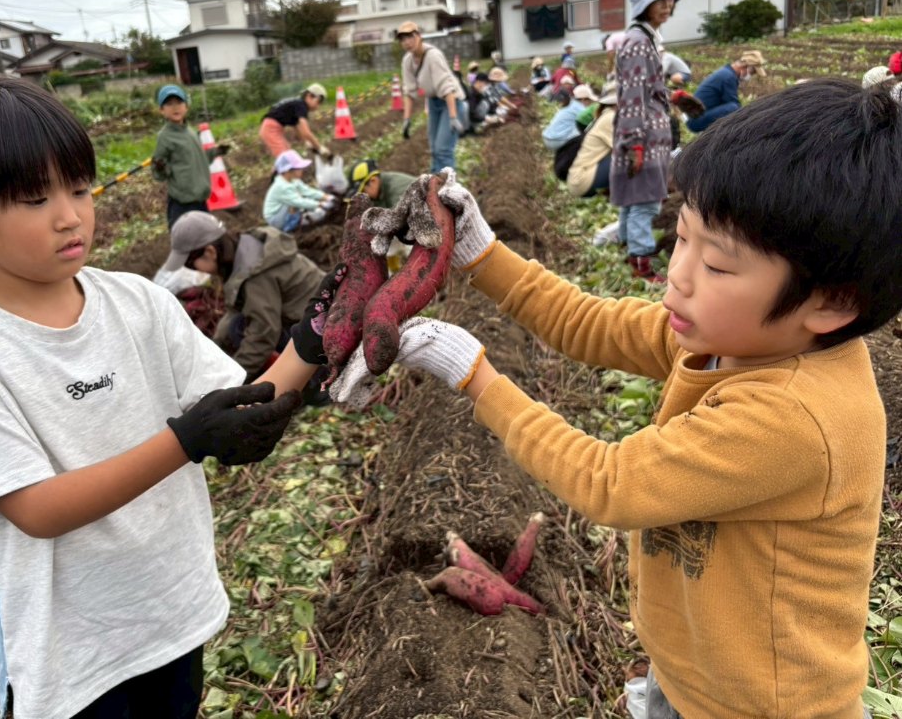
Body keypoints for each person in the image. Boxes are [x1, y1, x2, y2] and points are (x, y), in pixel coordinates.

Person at [339, 78, 902, 719]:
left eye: (717, 266)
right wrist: (481, 254)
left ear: (832, 302)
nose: (680, 275)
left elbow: (613, 484)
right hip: (693, 672)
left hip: (760, 706)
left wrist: (477, 377)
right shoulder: (736, 336)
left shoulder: (795, 416)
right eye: (682, 237)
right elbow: (588, 323)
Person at [0, 76, 340, 719]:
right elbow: (36, 510)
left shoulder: (137, 302)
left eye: (79, 188)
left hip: (172, 615)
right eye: (32, 198)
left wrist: (318, 335)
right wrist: (186, 440)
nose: (69, 215)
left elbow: (238, 402)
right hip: (75, 662)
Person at [168, 210, 329, 384]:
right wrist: (213, 349)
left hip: (322, 331)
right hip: (307, 317)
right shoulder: (242, 250)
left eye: (191, 265)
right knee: (236, 325)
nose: (195, 271)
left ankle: (316, 384)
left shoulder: (256, 274)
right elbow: (235, 309)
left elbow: (264, 334)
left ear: (210, 252)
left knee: (242, 330)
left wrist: (234, 381)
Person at [611, 0, 686, 283]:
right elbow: (633, 97)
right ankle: (641, 266)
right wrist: (635, 144)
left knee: (633, 199)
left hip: (644, 133)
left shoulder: (643, 39)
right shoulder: (640, 42)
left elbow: (643, 91)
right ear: (644, 4)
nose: (667, 4)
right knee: (643, 201)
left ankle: (628, 249)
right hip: (643, 135)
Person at [397, 20, 468, 173]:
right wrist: (407, 119)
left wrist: (453, 116)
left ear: (419, 36)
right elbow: (409, 91)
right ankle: (435, 188)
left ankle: (448, 190)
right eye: (403, 39)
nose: (407, 42)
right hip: (433, 102)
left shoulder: (433, 56)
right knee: (434, 149)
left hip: (451, 102)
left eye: (410, 37)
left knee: (443, 149)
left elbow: (446, 87)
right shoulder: (407, 61)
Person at [152, 84, 213, 229]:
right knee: (187, 245)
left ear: (186, 106)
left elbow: (199, 161)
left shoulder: (190, 132)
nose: (175, 107)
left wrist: (215, 153)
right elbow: (158, 174)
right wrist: (161, 167)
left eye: (179, 102)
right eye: (169, 104)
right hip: (183, 203)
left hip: (201, 199)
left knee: (207, 243)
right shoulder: (165, 136)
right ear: (161, 110)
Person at [678, 51, 766, 134]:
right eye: (753, 72)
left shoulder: (726, 72)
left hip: (697, 116)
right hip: (695, 121)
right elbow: (734, 105)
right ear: (745, 67)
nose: (751, 76)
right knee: (733, 107)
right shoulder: (728, 77)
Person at [263, 149, 336, 233]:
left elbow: (307, 191)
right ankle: (290, 227)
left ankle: (297, 217)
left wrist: (326, 197)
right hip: (275, 218)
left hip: (282, 211)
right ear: (288, 170)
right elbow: (298, 202)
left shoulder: (293, 180)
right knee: (295, 202)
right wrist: (320, 205)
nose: (302, 170)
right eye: (299, 168)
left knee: (297, 200)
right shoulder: (281, 186)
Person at [566, 82, 617, 198]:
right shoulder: (610, 118)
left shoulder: (606, 114)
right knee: (627, 159)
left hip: (580, 179)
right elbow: (627, 149)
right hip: (581, 181)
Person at [259, 83, 331, 159]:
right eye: (318, 102)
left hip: (271, 127)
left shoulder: (296, 104)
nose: (318, 107)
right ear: (309, 96)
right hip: (271, 130)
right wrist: (320, 148)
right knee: (286, 158)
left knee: (288, 154)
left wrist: (306, 142)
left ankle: (277, 170)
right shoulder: (301, 106)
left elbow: (298, 128)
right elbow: (306, 132)